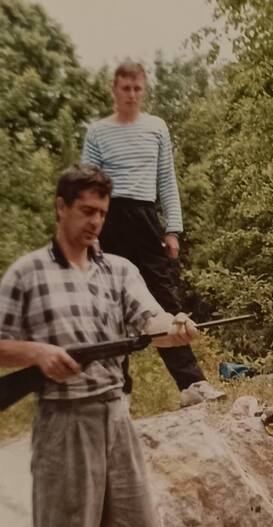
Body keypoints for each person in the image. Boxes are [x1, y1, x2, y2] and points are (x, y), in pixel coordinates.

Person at [0, 165, 194, 527]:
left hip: (117, 422)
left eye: (102, 213)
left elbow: (151, 321)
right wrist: (38, 353)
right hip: (63, 428)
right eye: (86, 211)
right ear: (60, 208)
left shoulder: (118, 270)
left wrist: (175, 327)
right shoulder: (28, 272)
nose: (95, 222)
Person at [82, 61, 222, 407]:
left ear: (143, 90)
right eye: (125, 88)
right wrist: (90, 230)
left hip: (146, 219)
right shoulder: (98, 131)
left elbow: (166, 181)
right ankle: (116, 389)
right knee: (109, 304)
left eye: (137, 88)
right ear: (113, 89)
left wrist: (172, 229)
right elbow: (88, 184)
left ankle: (191, 385)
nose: (131, 94)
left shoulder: (156, 127)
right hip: (109, 219)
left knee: (165, 299)